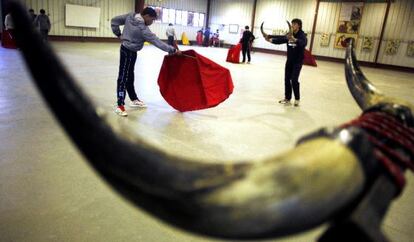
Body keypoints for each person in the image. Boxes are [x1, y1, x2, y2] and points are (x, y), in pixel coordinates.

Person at [111, 7, 181, 117]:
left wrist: (118, 34)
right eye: (152, 20)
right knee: (123, 77)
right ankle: (120, 105)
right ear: (146, 16)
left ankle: (134, 99)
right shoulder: (143, 29)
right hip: (128, 52)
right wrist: (173, 50)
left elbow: (114, 21)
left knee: (129, 75)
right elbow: (157, 41)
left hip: (129, 50)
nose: (151, 22)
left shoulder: (130, 16)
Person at [265, 18, 307, 107]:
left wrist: (294, 39)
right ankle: (287, 98)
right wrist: (270, 40)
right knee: (287, 79)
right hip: (289, 61)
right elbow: (281, 40)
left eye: (294, 24)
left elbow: (303, 43)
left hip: (297, 62)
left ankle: (297, 99)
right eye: (292, 24)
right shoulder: (289, 34)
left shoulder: (302, 35)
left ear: (299, 25)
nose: (292, 26)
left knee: (294, 80)